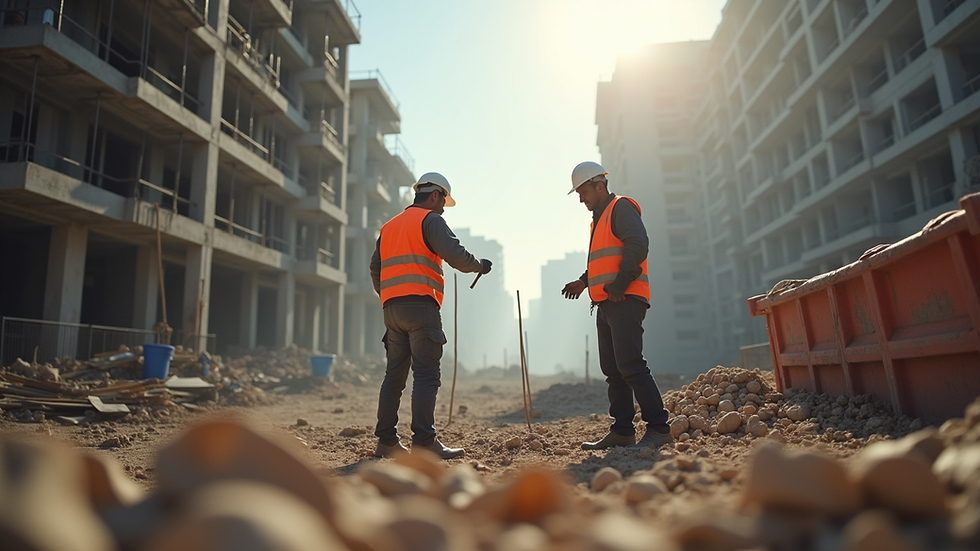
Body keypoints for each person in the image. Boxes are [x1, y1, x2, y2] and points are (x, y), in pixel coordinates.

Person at [370, 172, 492, 459]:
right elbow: (456, 256)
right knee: (426, 375)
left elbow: (375, 268)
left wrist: (388, 295)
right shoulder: (430, 220)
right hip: (422, 306)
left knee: (394, 376)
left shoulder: (388, 227)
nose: (441, 209)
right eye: (442, 203)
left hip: (392, 309)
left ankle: (386, 442)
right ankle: (424, 443)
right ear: (435, 195)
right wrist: (479, 266)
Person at [561, 161, 673, 451]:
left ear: (600, 186)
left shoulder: (621, 208)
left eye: (583, 192)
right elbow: (605, 260)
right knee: (613, 370)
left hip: (625, 299)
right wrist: (584, 282)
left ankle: (659, 428)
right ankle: (622, 431)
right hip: (606, 302)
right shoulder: (598, 219)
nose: (581, 198)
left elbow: (637, 246)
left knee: (631, 365)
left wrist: (620, 286)